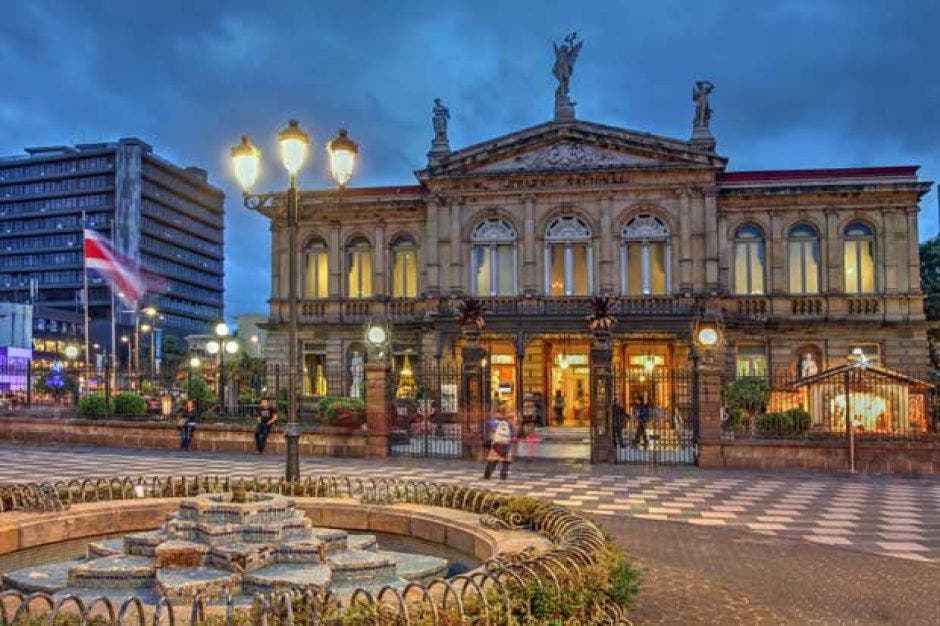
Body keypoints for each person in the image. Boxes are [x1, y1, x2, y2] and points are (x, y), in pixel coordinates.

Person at [483, 413, 513, 480]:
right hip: (506, 445)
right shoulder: (509, 424)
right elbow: (513, 434)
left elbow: (487, 427)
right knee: (505, 462)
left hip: (496, 445)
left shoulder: (493, 423)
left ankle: (487, 475)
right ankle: (503, 476)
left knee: (492, 461)